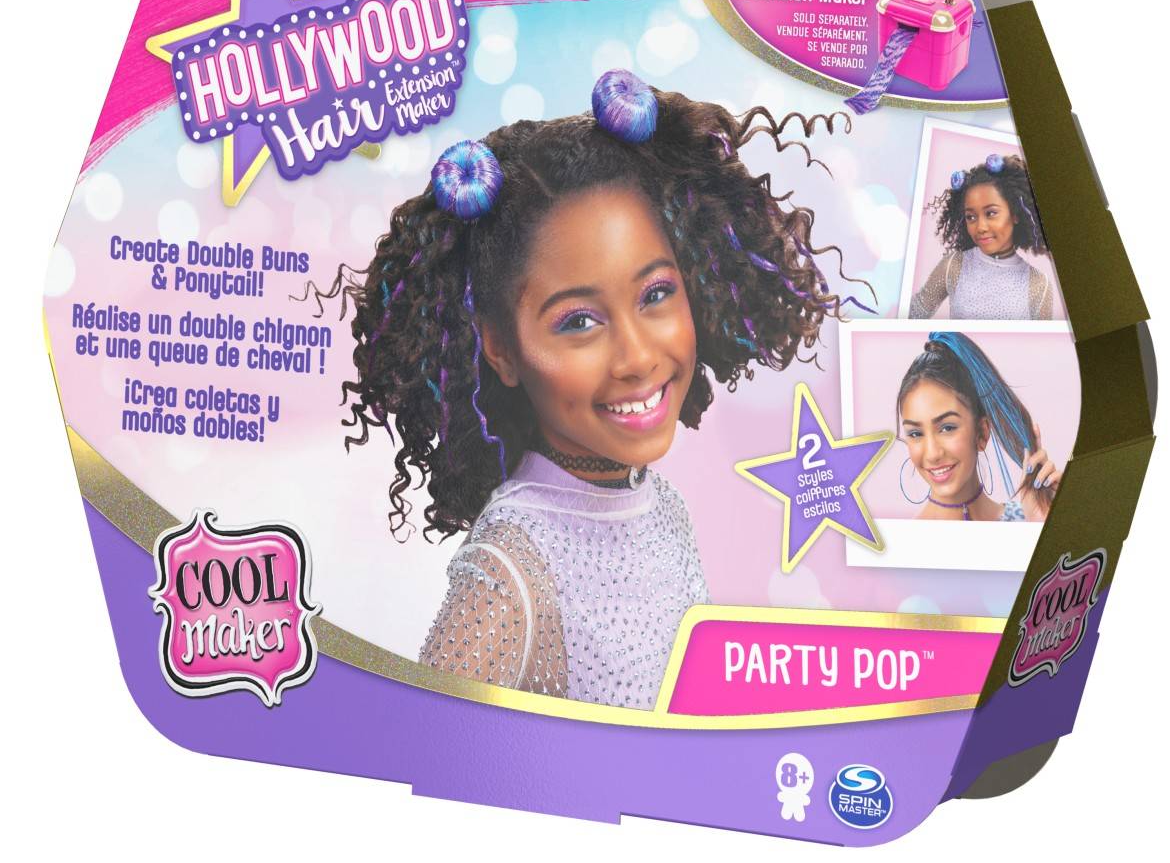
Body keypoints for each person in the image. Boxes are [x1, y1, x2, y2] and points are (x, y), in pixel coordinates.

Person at [325, 70, 861, 708]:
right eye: (579, 322)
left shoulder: (664, 508)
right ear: (500, 348)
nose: (636, 357)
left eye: (656, 293)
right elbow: (428, 745)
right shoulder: (510, 573)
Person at [897, 331, 1061, 522]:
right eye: (915, 433)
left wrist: (1040, 524)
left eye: (947, 428)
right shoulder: (900, 537)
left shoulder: (1025, 520)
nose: (932, 454)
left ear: (982, 433)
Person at [909, 154, 1054, 319]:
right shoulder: (954, 265)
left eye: (991, 213)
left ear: (1015, 214)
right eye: (971, 217)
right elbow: (912, 315)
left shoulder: (1038, 285)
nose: (980, 227)